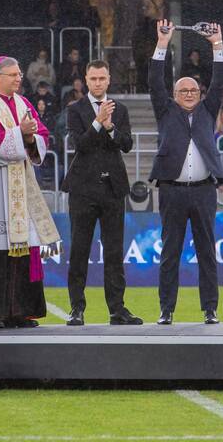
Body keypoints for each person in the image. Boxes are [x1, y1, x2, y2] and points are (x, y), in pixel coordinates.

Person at [0, 55, 61, 328]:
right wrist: (20, 133)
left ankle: (20, 311)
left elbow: (42, 136)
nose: (19, 78)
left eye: (19, 74)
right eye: (13, 74)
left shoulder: (24, 103)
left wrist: (30, 138)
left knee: (22, 253)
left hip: (21, 185)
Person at [149, 19, 223, 325]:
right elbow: (155, 80)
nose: (190, 93)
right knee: (170, 254)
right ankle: (166, 310)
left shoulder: (208, 111)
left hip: (205, 190)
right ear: (175, 93)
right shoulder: (165, 110)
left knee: (207, 253)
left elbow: (220, 81)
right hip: (172, 191)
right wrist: (162, 44)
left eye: (194, 89)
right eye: (183, 90)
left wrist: (217, 44)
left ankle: (210, 309)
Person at [61, 60, 142, 326]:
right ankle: (76, 308)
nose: (97, 83)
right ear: (86, 79)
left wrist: (109, 127)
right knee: (79, 250)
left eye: (102, 78)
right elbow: (79, 145)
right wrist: (96, 122)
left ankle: (117, 309)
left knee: (114, 252)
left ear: (109, 80)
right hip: (82, 189)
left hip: (112, 189)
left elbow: (127, 144)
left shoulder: (121, 110)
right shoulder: (75, 110)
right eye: (93, 78)